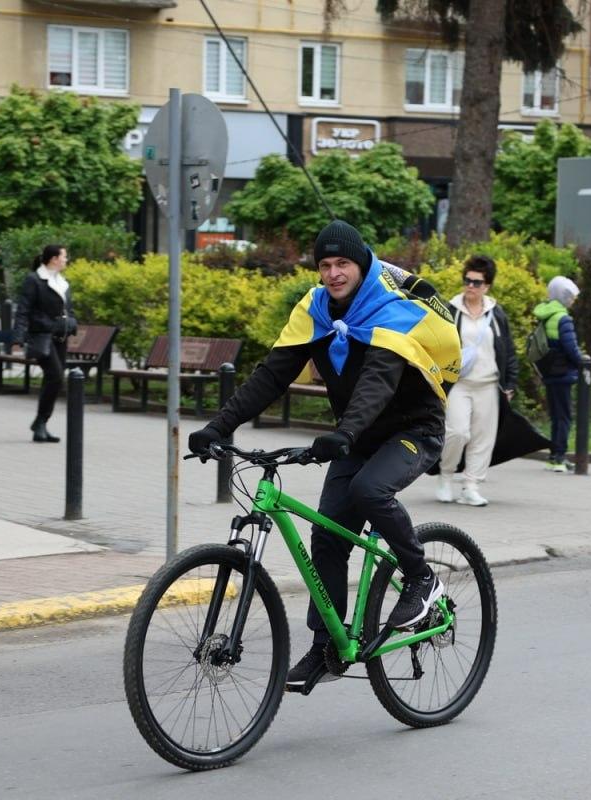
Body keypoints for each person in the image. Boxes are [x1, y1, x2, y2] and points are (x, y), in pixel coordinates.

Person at [187, 219, 461, 690]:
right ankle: (326, 645)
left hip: (413, 430)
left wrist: (345, 432)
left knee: (370, 490)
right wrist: (219, 426)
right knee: (327, 536)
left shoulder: (389, 309)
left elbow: (378, 379)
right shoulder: (315, 309)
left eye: (343, 263)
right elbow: (271, 375)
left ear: (362, 264)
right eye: (325, 265)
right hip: (356, 437)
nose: (333, 273)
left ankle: (421, 579)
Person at [435, 256, 519, 507]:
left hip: (489, 384)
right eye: (467, 280)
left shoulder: (496, 313)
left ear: (487, 286)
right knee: (457, 432)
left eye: (476, 282)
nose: (470, 286)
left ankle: (471, 485)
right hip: (459, 384)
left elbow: (508, 350)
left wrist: (511, 383)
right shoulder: (450, 310)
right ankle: (445, 475)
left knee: (483, 439)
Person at [12, 244, 78, 443]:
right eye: (64, 256)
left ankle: (41, 425)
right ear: (54, 259)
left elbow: (68, 308)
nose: (67, 260)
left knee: (53, 379)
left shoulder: (62, 281)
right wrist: (18, 338)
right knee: (56, 376)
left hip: (60, 337)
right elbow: (23, 310)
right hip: (41, 336)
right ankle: (40, 422)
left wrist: (72, 322)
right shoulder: (34, 280)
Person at [532, 276, 583, 472]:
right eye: (570, 297)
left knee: (555, 416)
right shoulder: (563, 318)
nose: (572, 301)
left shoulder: (545, 315)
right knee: (564, 417)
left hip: (549, 372)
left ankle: (553, 455)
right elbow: (571, 348)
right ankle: (560, 457)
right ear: (563, 296)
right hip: (563, 373)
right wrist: (583, 363)